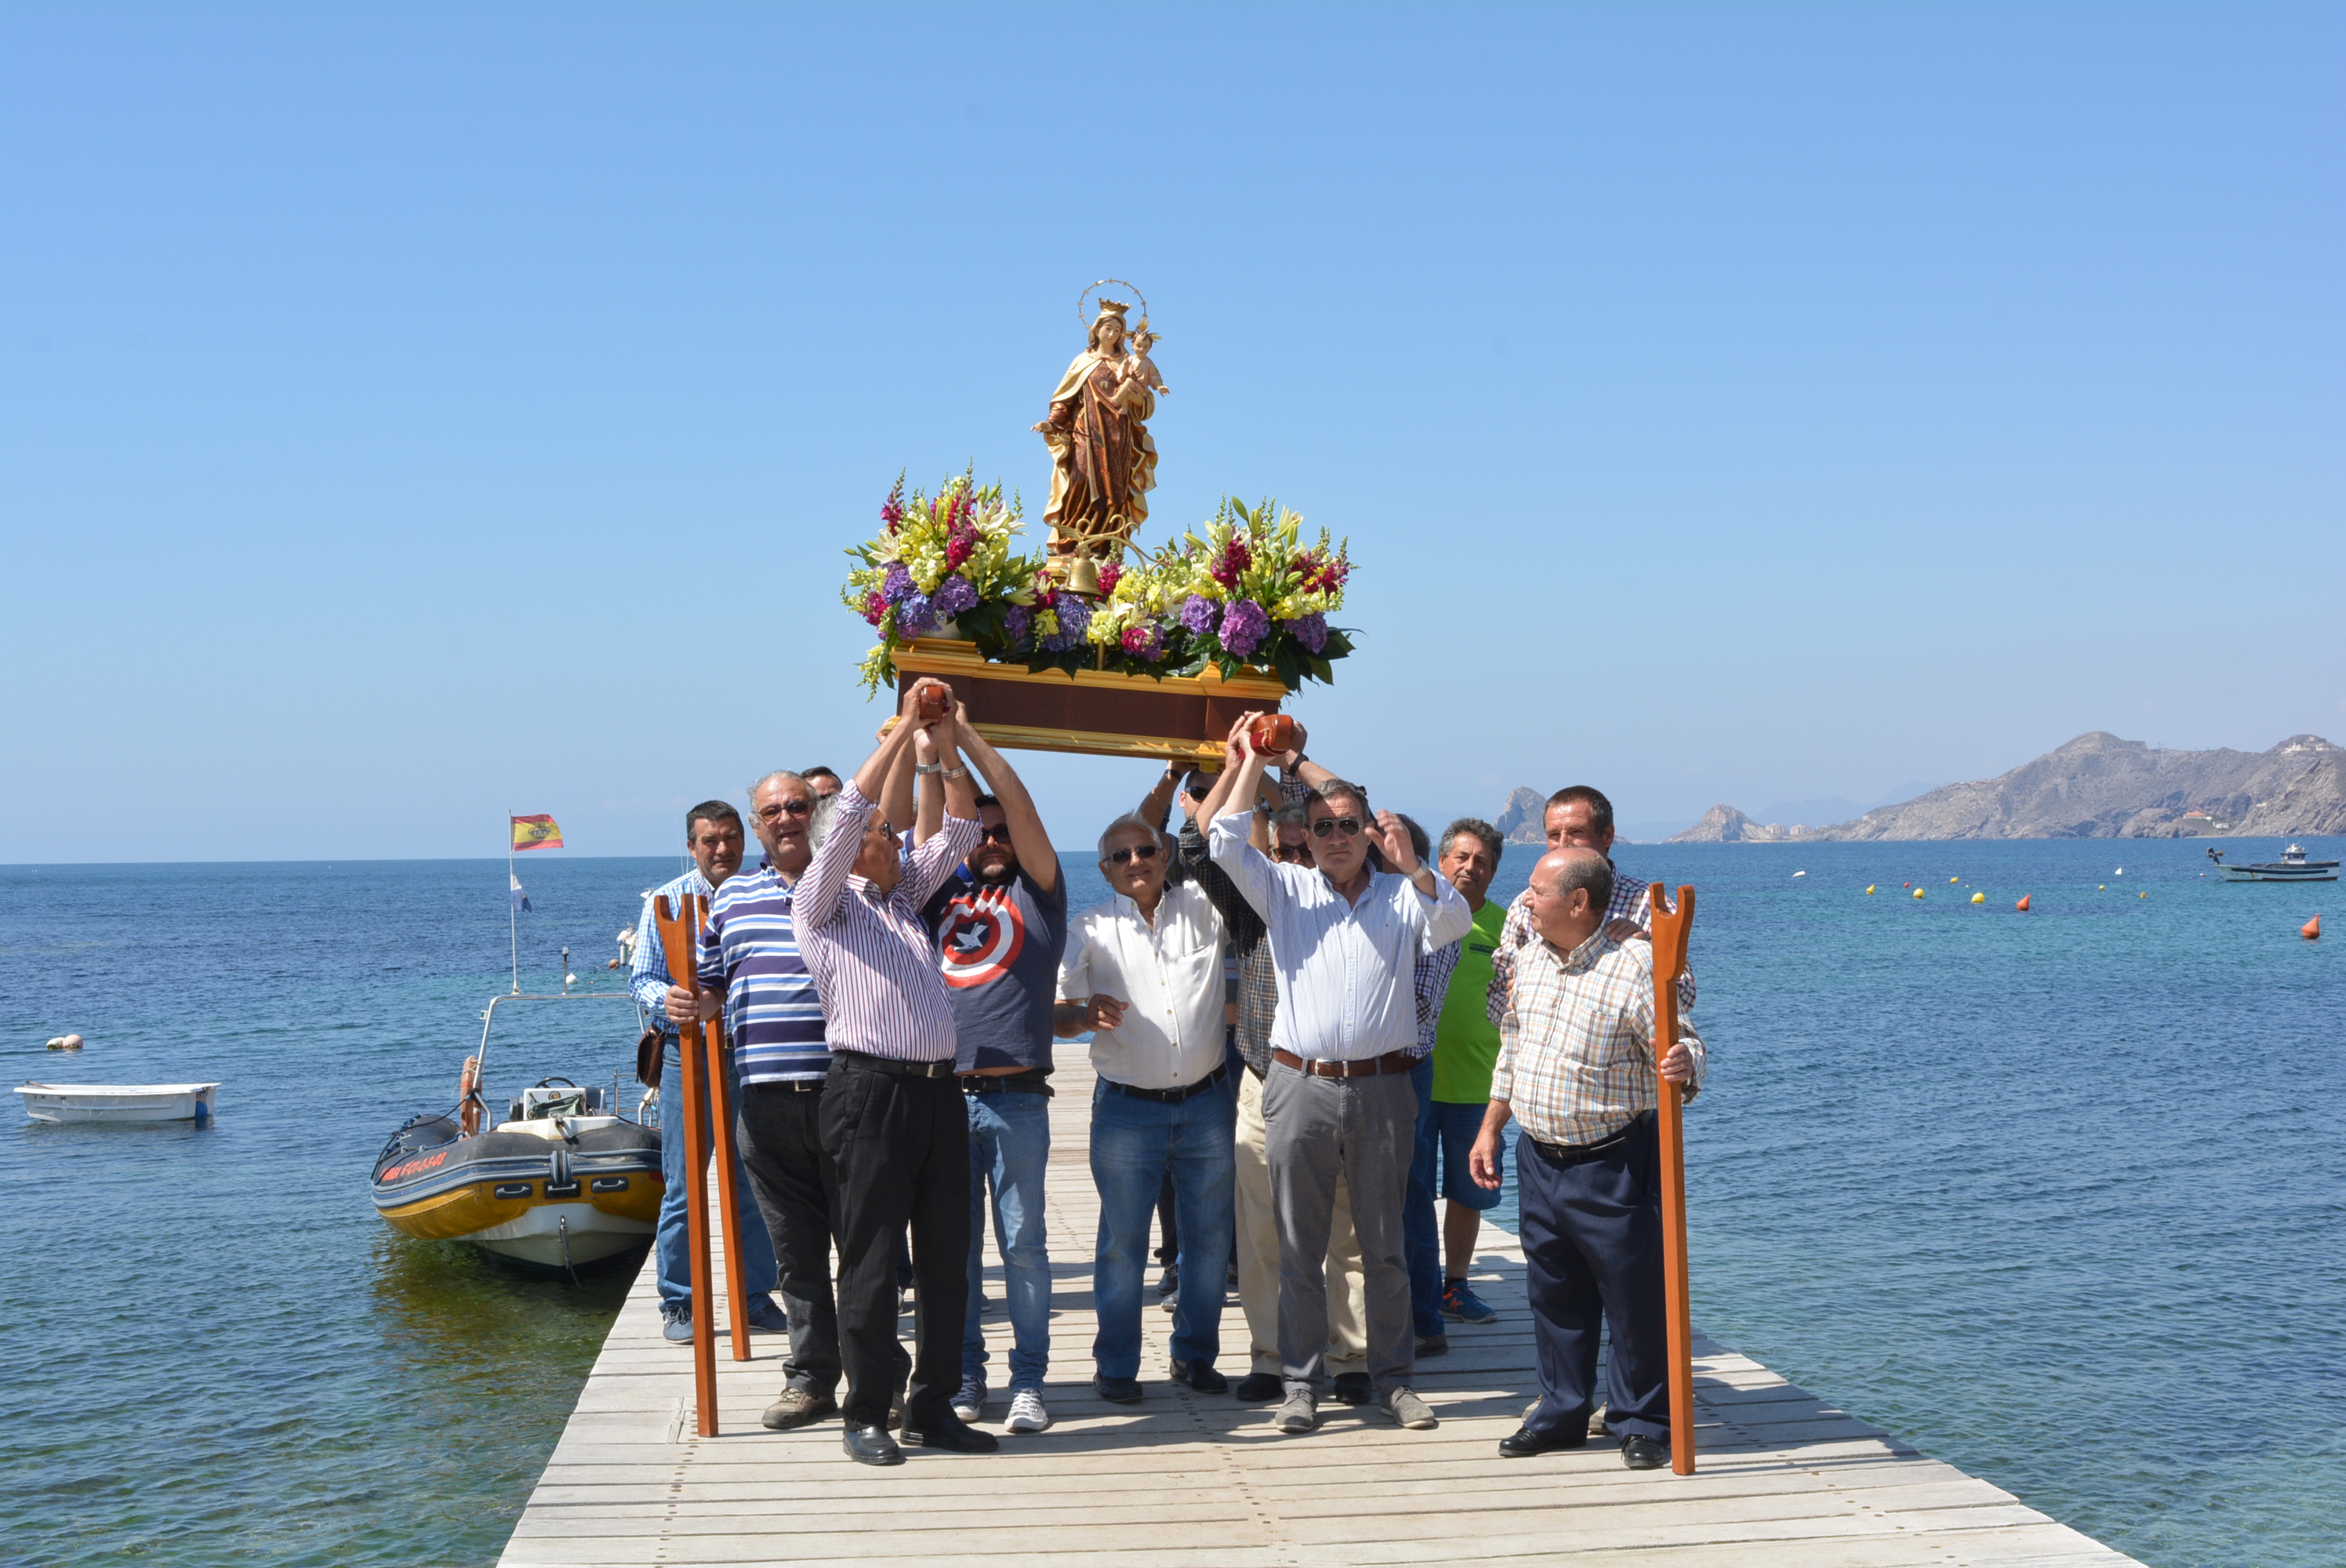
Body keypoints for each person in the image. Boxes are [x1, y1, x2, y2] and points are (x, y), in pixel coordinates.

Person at [1210, 717, 1473, 1436]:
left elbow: (1453, 922)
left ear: (1370, 831)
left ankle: (1393, 1381)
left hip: (1384, 1088)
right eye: (1322, 826)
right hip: (1299, 1086)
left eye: (1349, 824)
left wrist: (1412, 861)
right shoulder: (1287, 890)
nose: (1334, 836)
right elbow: (1224, 840)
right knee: (1298, 1246)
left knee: (1383, 1245)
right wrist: (1252, 761)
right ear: (1308, 834)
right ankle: (1300, 1384)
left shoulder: (1401, 897)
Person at [796, 681, 995, 1467]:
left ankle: (933, 1403)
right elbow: (845, 814)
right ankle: (866, 1409)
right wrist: (902, 727)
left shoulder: (901, 897)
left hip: (938, 1090)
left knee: (948, 1252)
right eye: (883, 830)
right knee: (873, 1258)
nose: (893, 835)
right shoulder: (822, 901)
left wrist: (937, 746)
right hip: (869, 1090)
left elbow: (961, 822)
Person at [1470, 847, 1707, 1472]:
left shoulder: (1633, 965)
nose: (1525, 901)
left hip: (1613, 1160)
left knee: (1633, 1299)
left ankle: (1642, 1420)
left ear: (1579, 902)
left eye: (1537, 892)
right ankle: (1562, 1411)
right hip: (1539, 1157)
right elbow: (1512, 1049)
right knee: (1554, 1295)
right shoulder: (1530, 957)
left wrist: (1686, 1064)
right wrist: (1491, 1126)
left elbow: (1683, 1038)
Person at [1164, 740, 1382, 1409]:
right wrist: (1242, 763)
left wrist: (1296, 762)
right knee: (1262, 1230)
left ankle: (1350, 1358)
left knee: (1347, 1228)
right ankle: (1271, 1353)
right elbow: (1197, 849)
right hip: (1266, 1081)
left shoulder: (1365, 900)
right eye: (1283, 848)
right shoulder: (1253, 904)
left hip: (1347, 1084)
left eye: (1307, 843)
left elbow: (1363, 811)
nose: (1294, 857)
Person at [913, 724, 1066, 1436]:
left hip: (1016, 1099)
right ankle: (966, 1374)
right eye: (981, 831)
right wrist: (932, 754)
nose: (994, 839)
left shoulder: (1040, 896)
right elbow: (934, 821)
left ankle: (1030, 1379)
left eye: (1001, 831)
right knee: (956, 1252)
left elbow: (1019, 806)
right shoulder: (939, 896)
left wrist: (964, 736)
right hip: (943, 1098)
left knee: (1025, 1247)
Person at [676, 770, 839, 1432]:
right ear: (758, 824)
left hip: (845, 1093)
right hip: (765, 1101)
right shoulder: (734, 898)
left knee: (863, 1248)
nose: (786, 819)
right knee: (796, 1256)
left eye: (797, 806)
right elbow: (713, 985)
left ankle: (880, 1378)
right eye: (771, 811)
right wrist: (693, 1001)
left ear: (815, 811)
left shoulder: (849, 883)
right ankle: (810, 1382)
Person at [1057, 808, 1235, 1403]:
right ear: (1105, 870)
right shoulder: (1089, 928)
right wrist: (1082, 1016)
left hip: (1208, 1103)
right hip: (1127, 1111)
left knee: (1209, 1242)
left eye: (1145, 851)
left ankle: (1195, 1357)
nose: (1136, 862)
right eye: (1121, 856)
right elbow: (1053, 1010)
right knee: (1121, 1242)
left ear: (1164, 856)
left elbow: (1237, 845)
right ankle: (1115, 1366)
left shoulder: (1205, 908)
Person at [628, 800, 787, 1346]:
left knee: (753, 1176)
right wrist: (664, 999)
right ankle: (680, 1301)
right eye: (710, 841)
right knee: (684, 1184)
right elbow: (642, 978)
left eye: (730, 838)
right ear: (692, 847)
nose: (722, 849)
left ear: (745, 839)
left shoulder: (764, 892)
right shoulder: (667, 900)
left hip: (750, 1051)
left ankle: (755, 1295)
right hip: (685, 1054)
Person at [1486, 786, 1693, 1025]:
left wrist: (1647, 954)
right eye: (1554, 835)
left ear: (1607, 836)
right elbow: (1496, 998)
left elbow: (1685, 997)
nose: (1563, 843)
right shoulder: (1525, 908)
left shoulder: (1648, 905)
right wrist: (1519, 1003)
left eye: (1576, 832)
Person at [1424, 818, 1510, 1327]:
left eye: (1480, 861)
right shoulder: (1418, 917)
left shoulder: (1506, 927)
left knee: (1467, 1192)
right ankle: (1411, 1286)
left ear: (1493, 871)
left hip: (1478, 1086)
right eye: (1461, 857)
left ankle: (1455, 1286)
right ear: (1442, 861)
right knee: (1408, 1192)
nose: (1469, 867)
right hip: (1411, 1081)